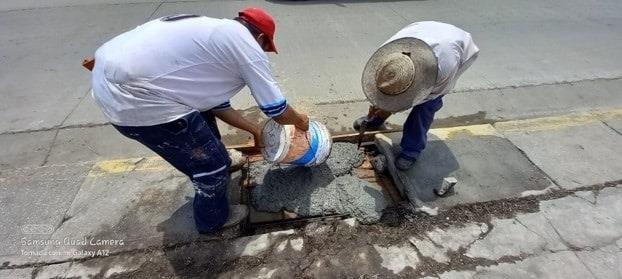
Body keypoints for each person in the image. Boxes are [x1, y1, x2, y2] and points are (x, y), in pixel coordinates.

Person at [90, 8, 309, 234]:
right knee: (211, 166)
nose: (262, 52)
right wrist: (302, 122)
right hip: (137, 101)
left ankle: (218, 156)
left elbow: (216, 105)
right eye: (265, 47)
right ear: (261, 38)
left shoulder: (212, 33)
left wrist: (255, 130)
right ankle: (213, 221)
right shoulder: (246, 46)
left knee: (204, 128)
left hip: (110, 78)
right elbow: (278, 110)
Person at [354, 21, 479, 170]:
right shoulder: (388, 55)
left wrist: (397, 105)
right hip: (423, 31)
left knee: (425, 108)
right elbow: (387, 85)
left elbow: (426, 96)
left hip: (457, 48)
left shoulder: (443, 68)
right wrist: (380, 104)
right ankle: (377, 118)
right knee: (392, 90)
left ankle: (412, 149)